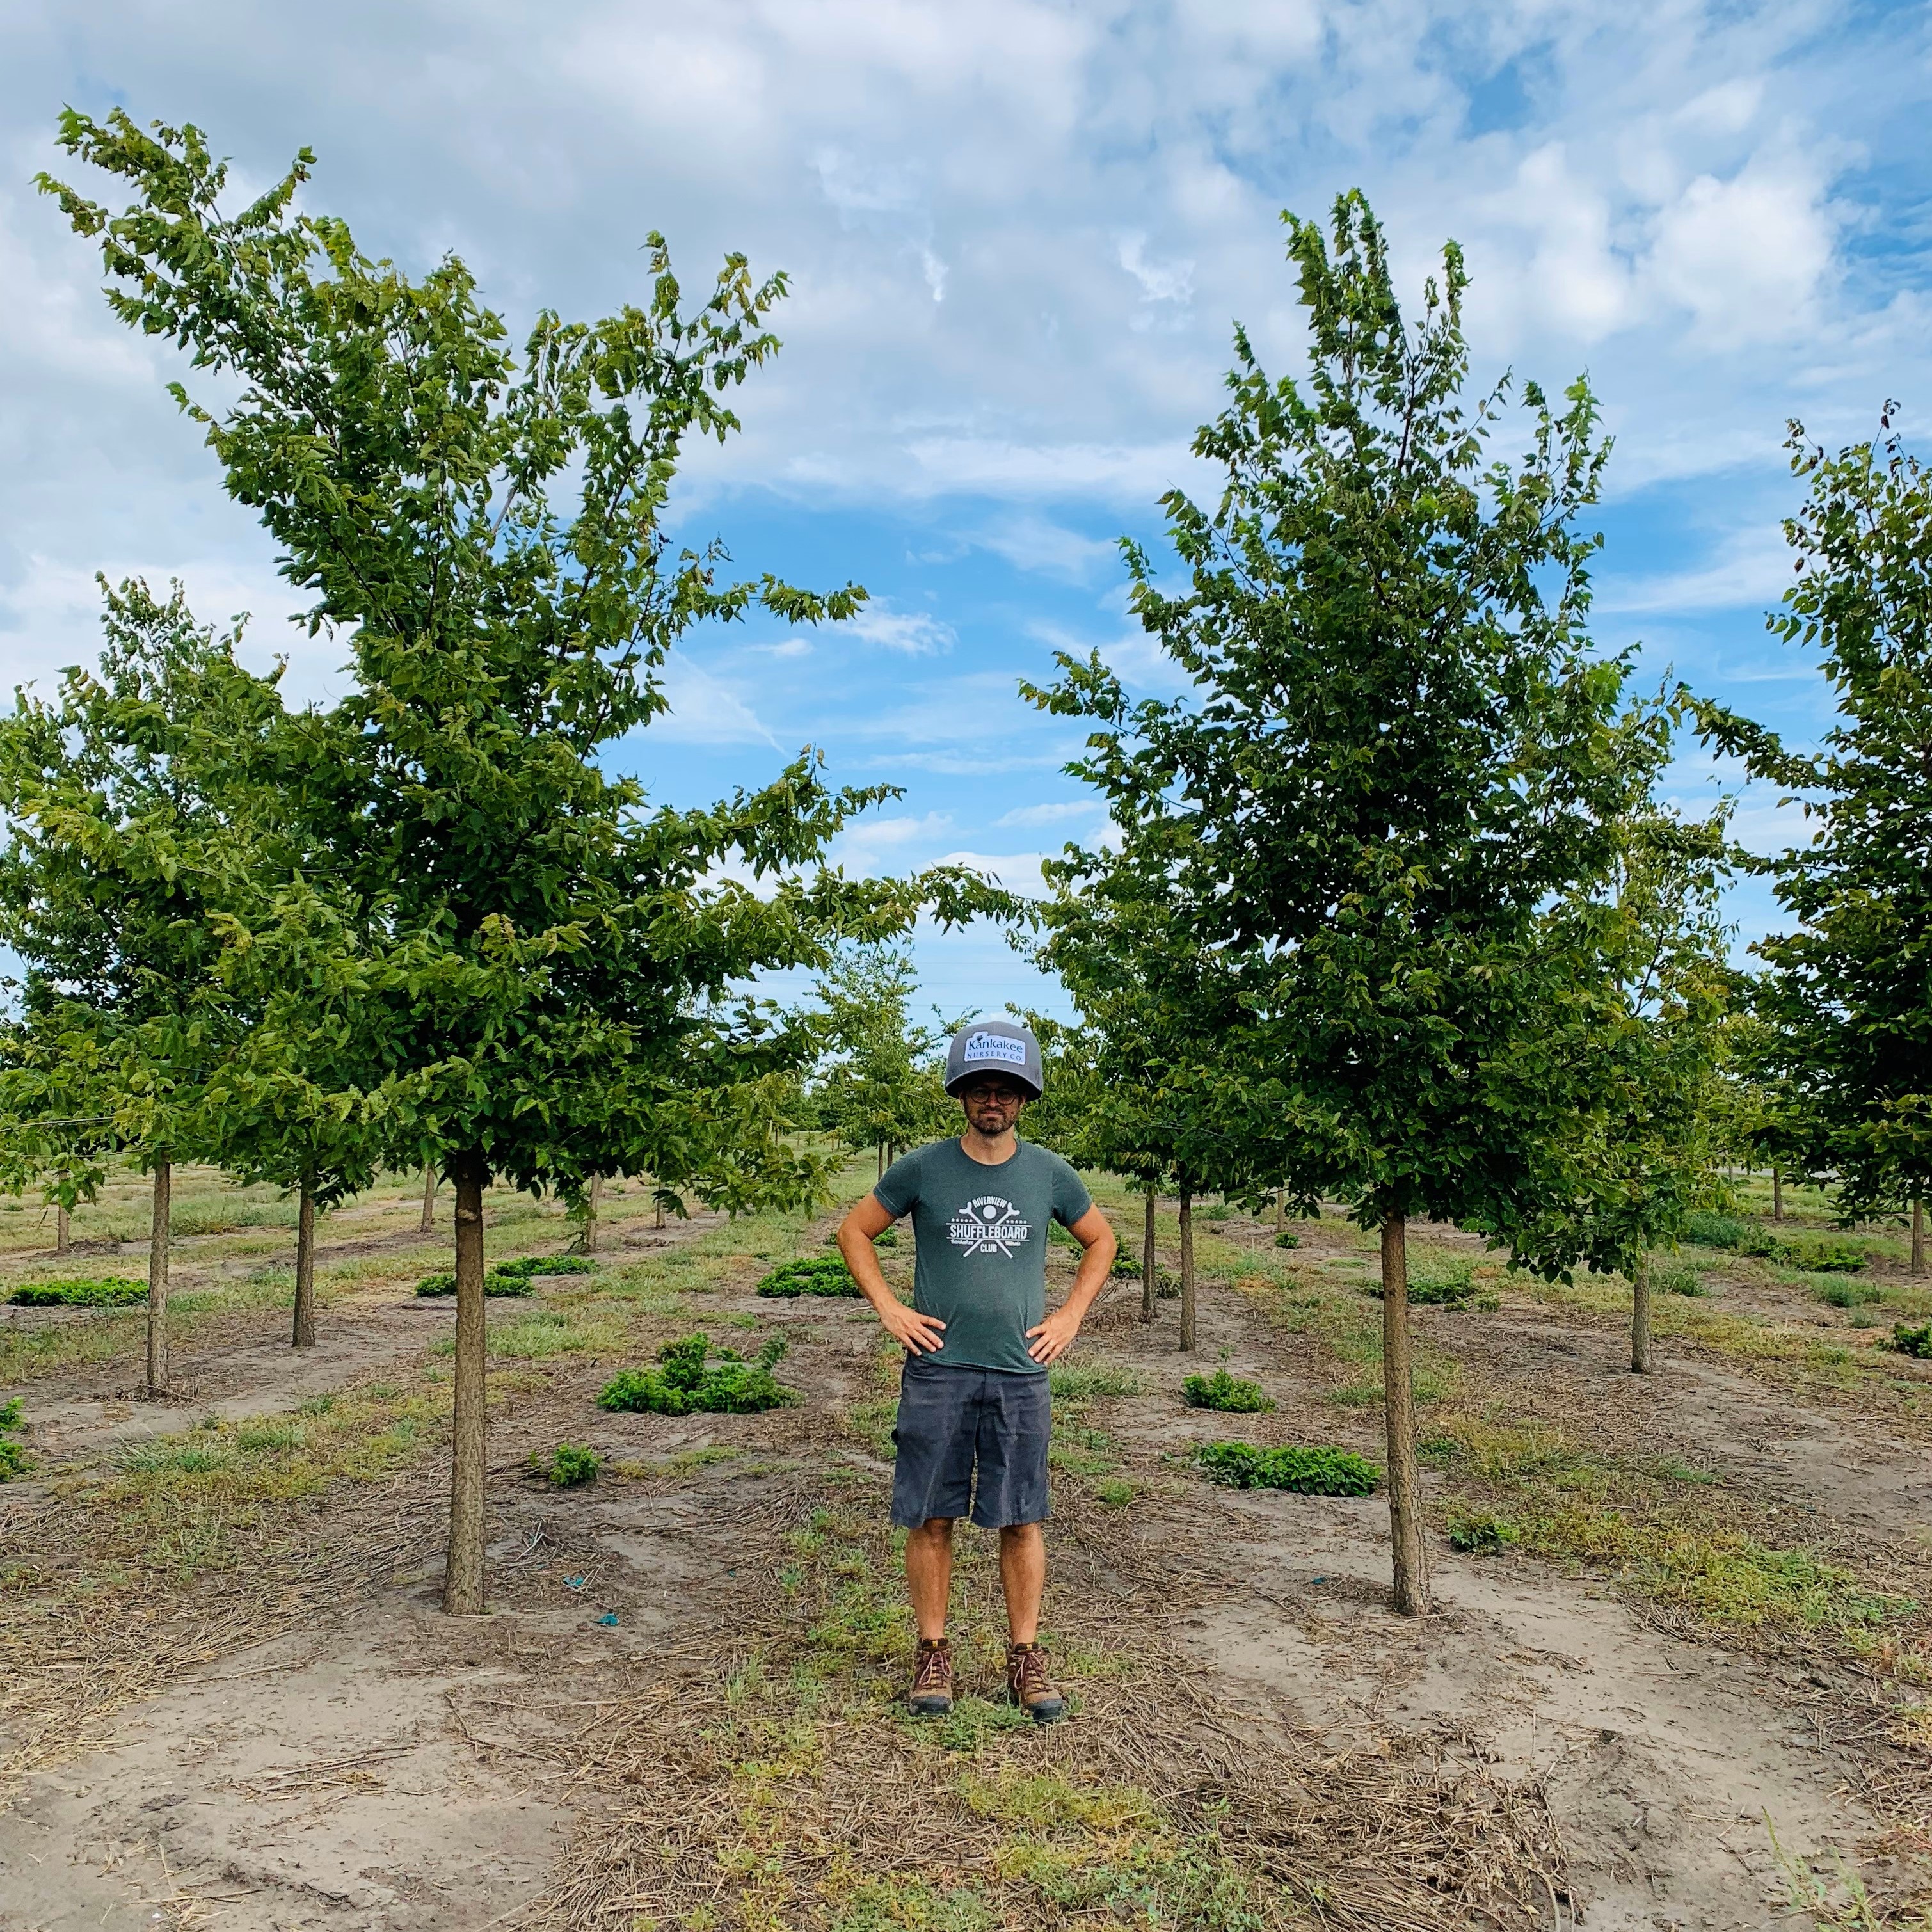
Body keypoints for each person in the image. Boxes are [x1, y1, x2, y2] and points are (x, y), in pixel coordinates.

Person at [836, 1018, 1117, 1723]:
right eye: (979, 1089)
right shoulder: (922, 1168)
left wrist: (1070, 1317)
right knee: (932, 1516)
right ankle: (932, 1653)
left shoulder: (1049, 1172)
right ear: (960, 1093)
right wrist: (889, 1307)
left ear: (1023, 1099)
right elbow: (854, 1230)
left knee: (1020, 1519)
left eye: (1006, 1090)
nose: (992, 1101)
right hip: (939, 1369)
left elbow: (1101, 1239)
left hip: (1019, 1372)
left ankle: (1024, 1657)